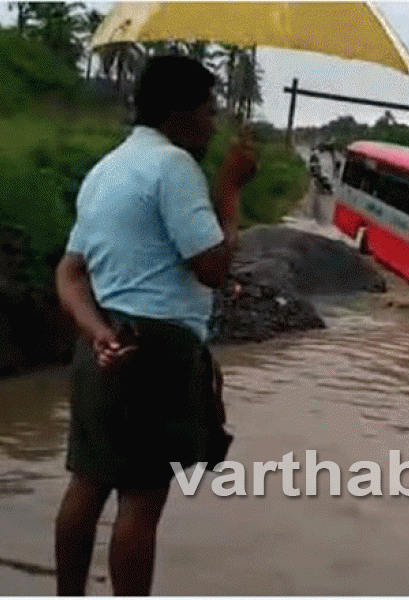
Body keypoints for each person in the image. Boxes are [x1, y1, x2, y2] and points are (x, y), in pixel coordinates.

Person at [53, 55, 257, 596]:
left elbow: (70, 273)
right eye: (208, 109)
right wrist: (231, 189)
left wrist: (96, 330)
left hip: (103, 346)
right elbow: (212, 268)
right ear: (180, 112)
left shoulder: (105, 170)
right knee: (141, 501)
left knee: (86, 485)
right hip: (160, 350)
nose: (213, 122)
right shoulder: (173, 167)